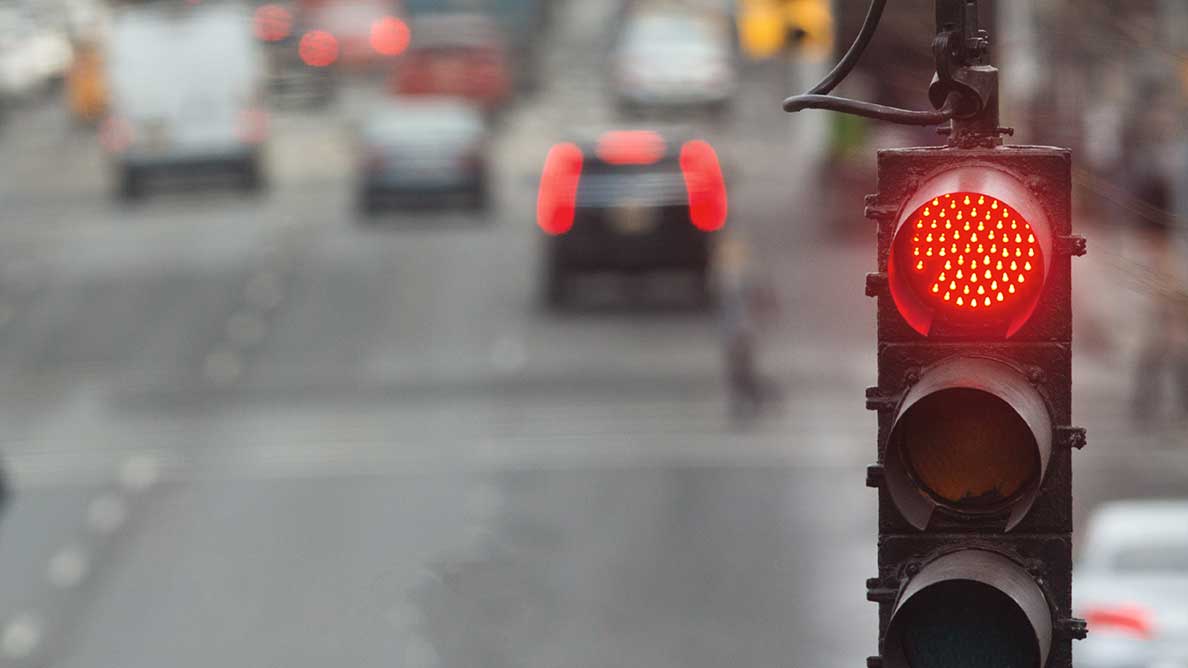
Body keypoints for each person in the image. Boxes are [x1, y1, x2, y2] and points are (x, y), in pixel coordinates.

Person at [714, 237, 779, 421]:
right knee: (737, 371)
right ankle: (747, 401)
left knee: (742, 371)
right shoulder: (724, 277)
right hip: (733, 332)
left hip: (744, 332)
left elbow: (765, 302)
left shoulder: (747, 277)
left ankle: (761, 396)